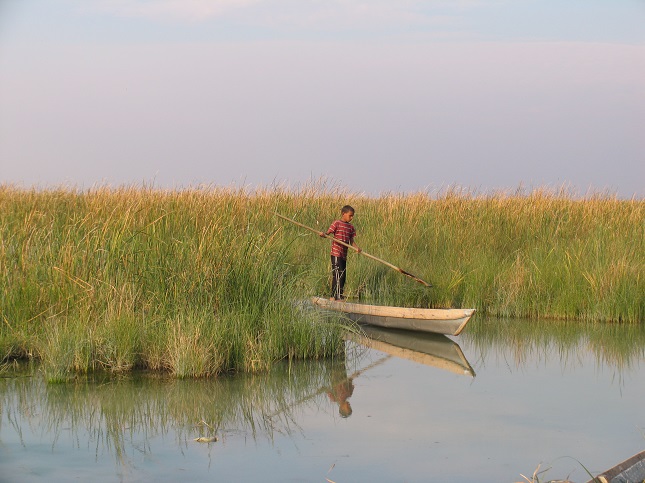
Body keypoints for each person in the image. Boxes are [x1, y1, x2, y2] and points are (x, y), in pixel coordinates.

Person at [320, 205, 361, 300]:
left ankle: (340, 295)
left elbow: (351, 241)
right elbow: (328, 233)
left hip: (343, 255)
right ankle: (334, 296)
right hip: (336, 253)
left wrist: (357, 248)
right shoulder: (336, 223)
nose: (352, 218)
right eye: (350, 215)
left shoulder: (350, 227)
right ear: (343, 214)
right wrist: (323, 234)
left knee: (343, 275)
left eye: (352, 216)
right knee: (337, 274)